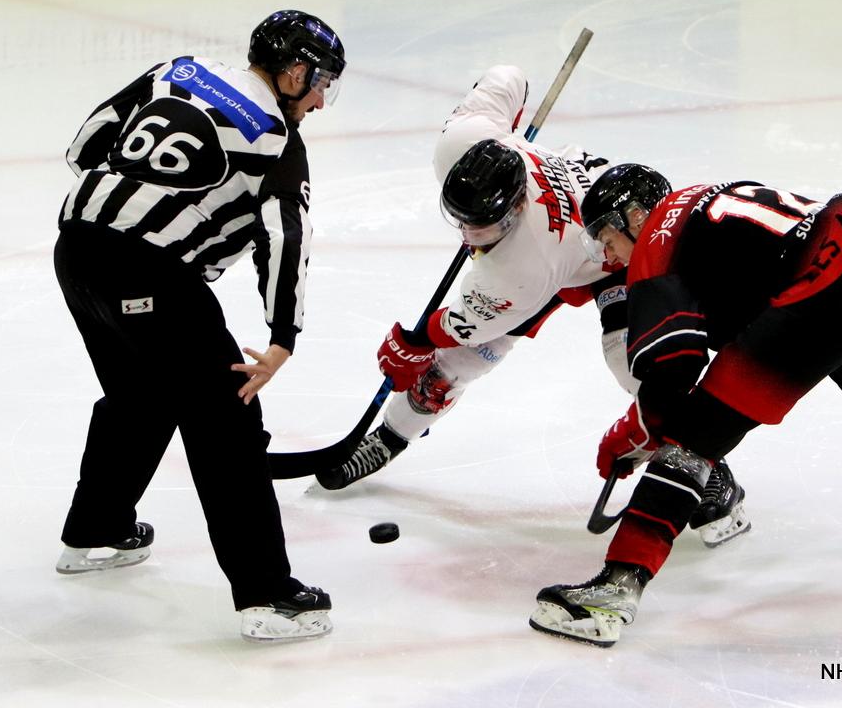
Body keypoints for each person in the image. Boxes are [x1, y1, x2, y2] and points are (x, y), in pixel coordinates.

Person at [312, 65, 750, 549]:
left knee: (633, 364)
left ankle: (706, 462)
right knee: (454, 368)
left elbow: (462, 326)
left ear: (516, 206)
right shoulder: (463, 141)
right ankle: (391, 437)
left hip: (614, 251)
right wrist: (510, 126)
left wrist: (413, 342)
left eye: (484, 227)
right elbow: (508, 77)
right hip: (577, 225)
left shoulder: (521, 267)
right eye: (463, 223)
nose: (471, 237)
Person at [529, 166, 842, 647]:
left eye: (606, 239)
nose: (607, 256)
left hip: (831, 288)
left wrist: (636, 432)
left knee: (692, 439)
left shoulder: (657, 238)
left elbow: (672, 373)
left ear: (635, 216)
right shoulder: (702, 202)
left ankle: (614, 590)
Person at [53, 10, 345, 641]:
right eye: (321, 83)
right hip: (149, 275)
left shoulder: (178, 70)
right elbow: (284, 239)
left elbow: (86, 144)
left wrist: (131, 205)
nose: (321, 100)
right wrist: (282, 338)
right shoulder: (277, 140)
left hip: (75, 249)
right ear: (295, 72)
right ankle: (268, 596)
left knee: (139, 395)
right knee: (226, 422)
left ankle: (96, 530)